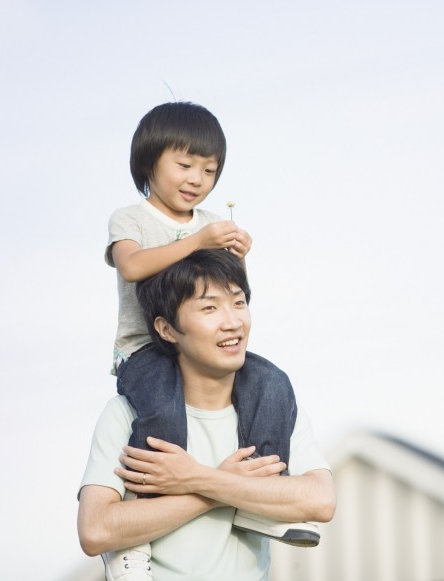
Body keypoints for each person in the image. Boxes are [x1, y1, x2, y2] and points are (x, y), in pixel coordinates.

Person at [101, 102, 314, 579]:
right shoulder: (130, 219)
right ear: (148, 162)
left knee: (272, 382)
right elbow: (132, 266)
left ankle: (260, 498)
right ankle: (137, 534)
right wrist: (200, 241)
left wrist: (237, 256)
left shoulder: (213, 220)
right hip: (146, 349)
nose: (197, 179)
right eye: (184, 165)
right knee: (162, 411)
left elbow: (226, 293)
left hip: (201, 349)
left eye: (209, 170)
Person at [78, 249, 336, 581]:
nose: (233, 322)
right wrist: (220, 491)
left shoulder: (272, 407)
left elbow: (320, 501)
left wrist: (198, 478)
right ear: (167, 329)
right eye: (209, 308)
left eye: (238, 302)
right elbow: (95, 531)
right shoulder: (127, 413)